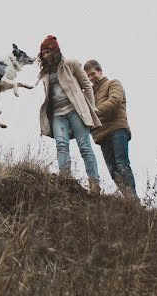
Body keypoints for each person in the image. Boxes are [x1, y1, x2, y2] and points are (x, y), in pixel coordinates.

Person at [37, 35, 102, 194]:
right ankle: (66, 181)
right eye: (43, 53)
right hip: (57, 116)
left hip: (75, 112)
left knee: (84, 146)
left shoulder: (71, 64)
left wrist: (90, 108)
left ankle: (94, 184)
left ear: (55, 50)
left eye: (47, 52)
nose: (45, 56)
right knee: (61, 146)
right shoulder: (44, 73)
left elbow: (87, 85)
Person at [84, 59, 138, 200]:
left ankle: (132, 198)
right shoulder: (90, 95)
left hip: (117, 129)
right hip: (102, 136)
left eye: (92, 74)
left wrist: (94, 111)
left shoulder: (113, 83)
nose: (91, 78)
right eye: (88, 76)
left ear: (100, 71)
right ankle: (127, 198)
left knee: (122, 164)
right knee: (113, 171)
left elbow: (115, 100)